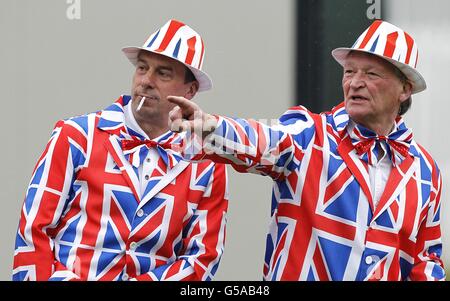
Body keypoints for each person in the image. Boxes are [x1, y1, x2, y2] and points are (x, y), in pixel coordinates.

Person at [167, 20, 445, 281]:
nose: (355, 82)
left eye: (371, 74)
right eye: (349, 71)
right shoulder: (309, 135)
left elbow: (426, 262)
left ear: (405, 90)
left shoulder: (425, 171)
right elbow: (262, 138)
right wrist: (209, 126)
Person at [13, 19, 228, 281]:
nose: (146, 80)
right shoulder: (76, 136)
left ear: (190, 90)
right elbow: (33, 231)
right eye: (142, 68)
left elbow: (201, 260)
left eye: (163, 73)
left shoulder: (208, 164)